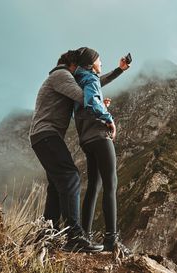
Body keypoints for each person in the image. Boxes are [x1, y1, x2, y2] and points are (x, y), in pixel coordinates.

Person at [29, 49, 125, 252]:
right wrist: (103, 109)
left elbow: (93, 84)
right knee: (71, 178)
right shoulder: (61, 75)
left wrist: (118, 71)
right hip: (46, 135)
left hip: (44, 136)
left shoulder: (64, 76)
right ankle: (74, 236)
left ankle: (47, 234)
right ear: (73, 65)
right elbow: (87, 95)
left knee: (56, 186)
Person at [73, 47, 130, 252]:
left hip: (86, 139)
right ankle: (111, 240)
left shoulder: (80, 79)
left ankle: (84, 237)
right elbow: (91, 100)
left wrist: (119, 70)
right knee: (110, 185)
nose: (101, 62)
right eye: (99, 59)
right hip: (99, 136)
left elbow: (98, 83)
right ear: (90, 64)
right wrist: (108, 118)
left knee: (94, 187)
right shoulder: (90, 80)